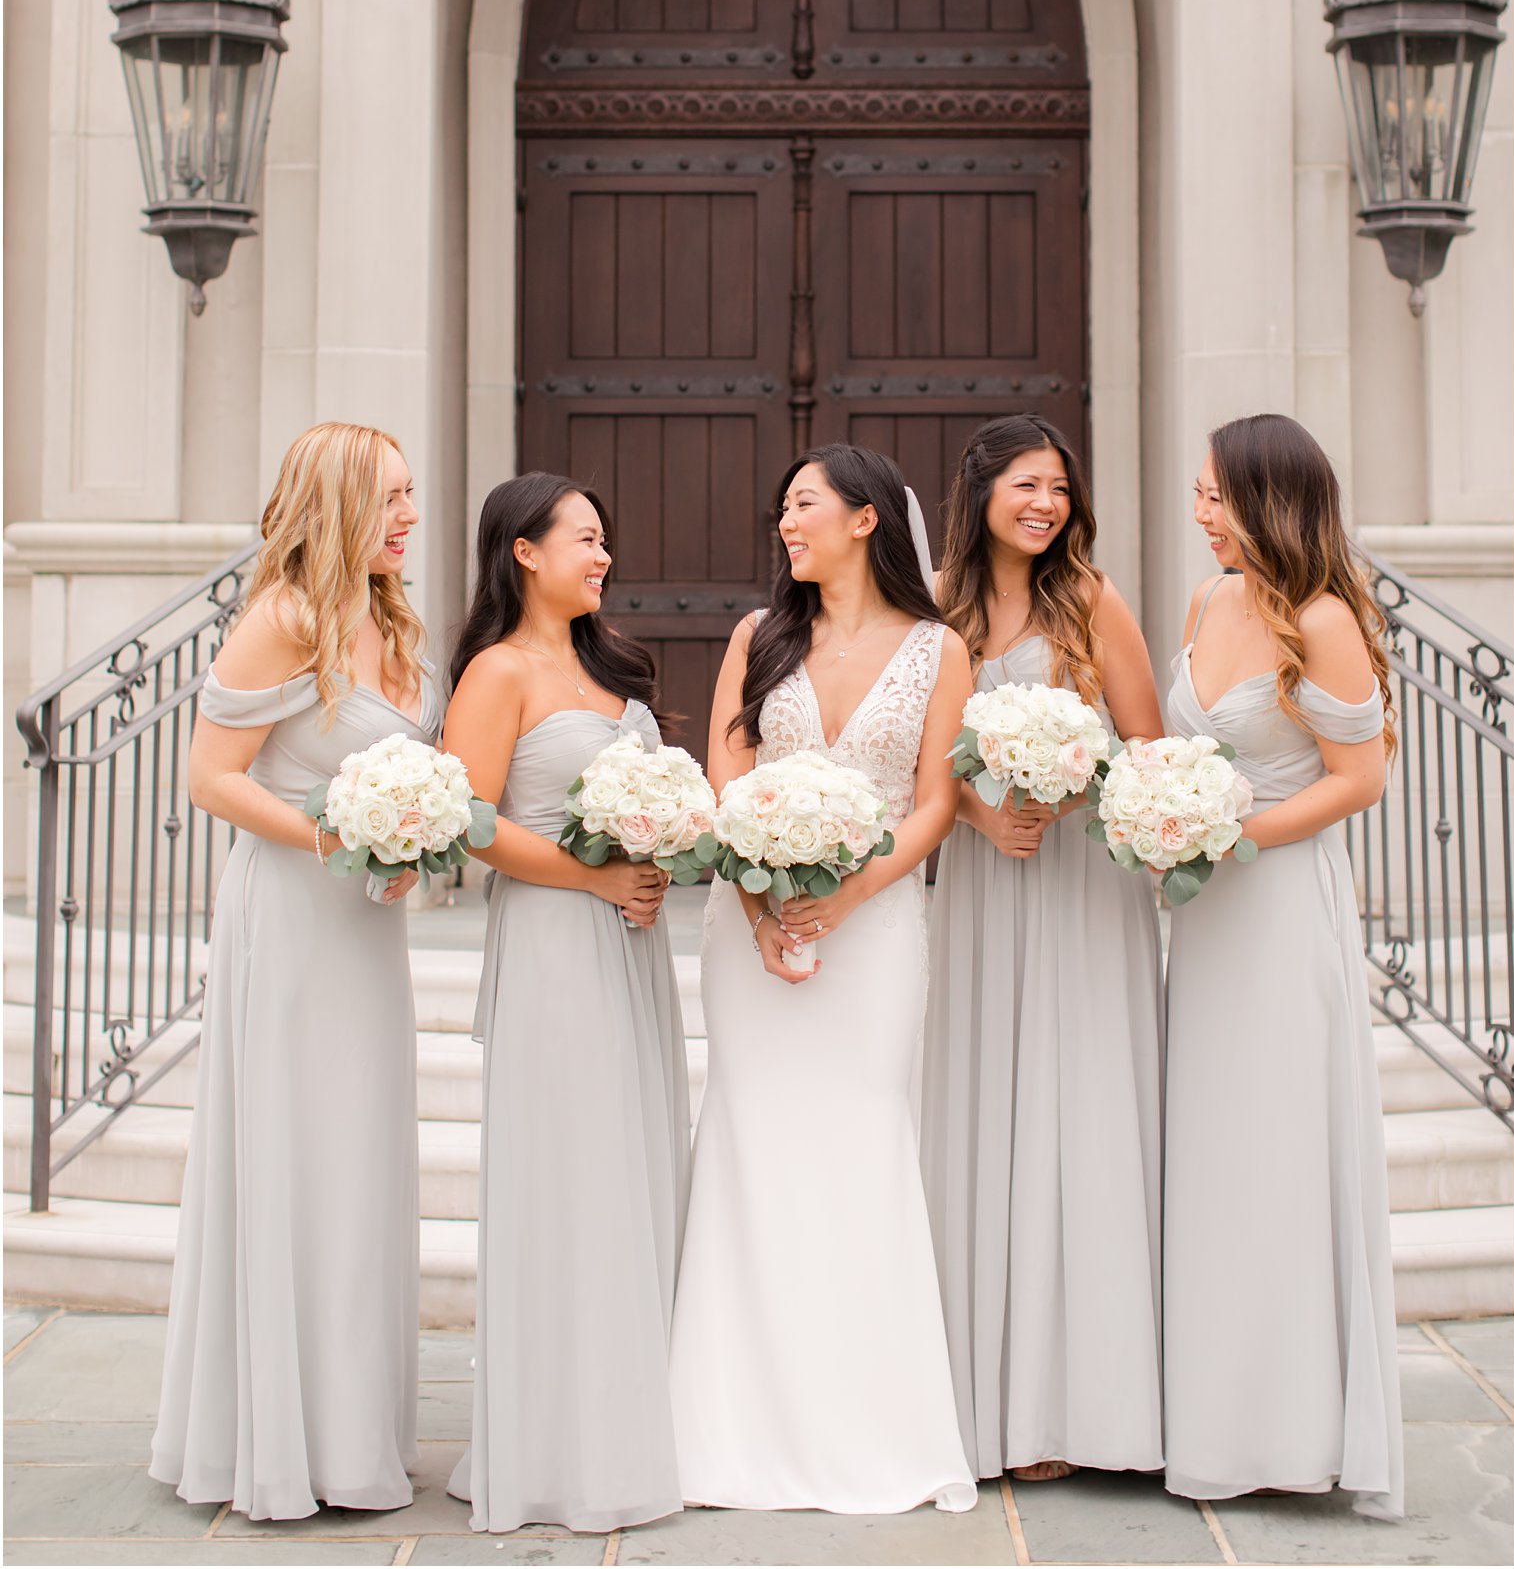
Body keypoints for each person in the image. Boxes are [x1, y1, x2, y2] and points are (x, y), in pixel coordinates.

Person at [668, 445, 976, 1515]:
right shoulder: (758, 638)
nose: (784, 523)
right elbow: (726, 776)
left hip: (878, 929)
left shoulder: (940, 649)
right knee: (751, 1139)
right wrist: (760, 907)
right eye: (782, 507)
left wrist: (846, 900)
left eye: (803, 505)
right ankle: (729, 1422)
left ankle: (870, 1422)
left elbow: (933, 802)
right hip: (750, 936)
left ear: (864, 520)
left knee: (860, 1138)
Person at [150, 422, 435, 1521]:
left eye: (412, 497)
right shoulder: (282, 619)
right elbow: (211, 778)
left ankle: (350, 1425)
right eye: (392, 499)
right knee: (295, 1150)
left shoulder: (388, 618)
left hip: (368, 928)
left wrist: (406, 843)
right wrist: (333, 837)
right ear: (339, 503)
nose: (411, 516)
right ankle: (275, 1438)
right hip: (292, 918)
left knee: (358, 1158)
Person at [1164, 413, 1401, 1519]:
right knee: (1208, 1155)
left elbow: (1358, 780)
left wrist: (1231, 835)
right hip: (1202, 924)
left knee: (1276, 1152)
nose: (1198, 511)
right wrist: (1157, 812)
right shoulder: (1208, 601)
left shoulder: (1322, 619)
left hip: (1277, 915)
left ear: (1267, 498)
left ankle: (1292, 1429)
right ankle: (1209, 1413)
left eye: (1214, 494)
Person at [444, 473, 689, 1535]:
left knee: (629, 1172)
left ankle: (627, 1421)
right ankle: (552, 1449)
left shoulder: (608, 668)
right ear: (522, 554)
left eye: (603, 538)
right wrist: (589, 877)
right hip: (554, 942)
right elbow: (467, 819)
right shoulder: (497, 673)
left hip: (629, 950)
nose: (601, 556)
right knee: (569, 1180)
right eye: (582, 539)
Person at [923, 414, 1165, 1483]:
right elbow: (916, 761)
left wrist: (1081, 781)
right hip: (986, 874)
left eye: (1058, 487)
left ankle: (1080, 1403)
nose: (1045, 504)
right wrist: (980, 817)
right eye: (1025, 483)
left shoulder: (1091, 599)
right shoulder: (936, 608)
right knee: (985, 1103)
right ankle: (985, 1397)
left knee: (1079, 1108)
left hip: (1080, 881)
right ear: (978, 491)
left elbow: (1148, 746)